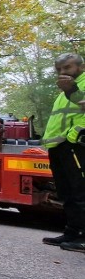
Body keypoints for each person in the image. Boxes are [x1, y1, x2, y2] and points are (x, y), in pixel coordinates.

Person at [41, 52, 85, 252]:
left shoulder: (80, 86)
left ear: (80, 67)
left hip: (76, 145)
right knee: (66, 192)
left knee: (79, 191)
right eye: (59, 69)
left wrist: (75, 135)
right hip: (59, 147)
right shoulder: (63, 91)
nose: (62, 72)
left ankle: (82, 236)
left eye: (67, 68)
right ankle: (72, 232)